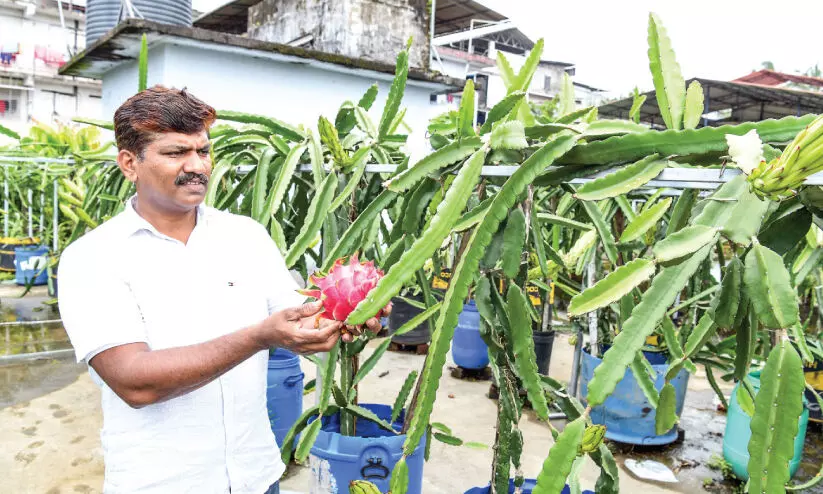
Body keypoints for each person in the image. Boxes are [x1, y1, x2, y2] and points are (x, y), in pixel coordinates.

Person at [57, 86, 384, 494]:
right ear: (129, 163)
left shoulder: (246, 236)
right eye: (176, 153)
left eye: (204, 151)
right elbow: (134, 381)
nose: (197, 166)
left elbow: (297, 319)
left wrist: (348, 310)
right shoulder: (92, 258)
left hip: (256, 475)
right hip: (162, 484)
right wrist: (259, 336)